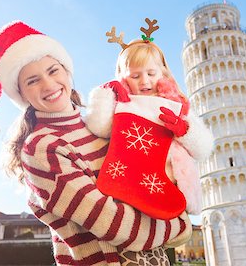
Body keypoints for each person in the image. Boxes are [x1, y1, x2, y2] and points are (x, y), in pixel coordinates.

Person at [0, 21, 192, 266]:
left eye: (53, 71)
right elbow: (112, 222)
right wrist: (178, 225)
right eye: (32, 81)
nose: (49, 85)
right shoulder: (42, 148)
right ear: (21, 94)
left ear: (66, 70)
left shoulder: (101, 126)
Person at [85, 18, 213, 219]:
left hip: (172, 188)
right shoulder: (123, 103)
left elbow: (204, 149)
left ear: (162, 72)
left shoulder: (176, 105)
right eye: (135, 76)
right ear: (123, 77)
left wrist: (184, 130)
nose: (145, 81)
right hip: (131, 184)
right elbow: (99, 128)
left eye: (151, 73)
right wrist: (106, 95)